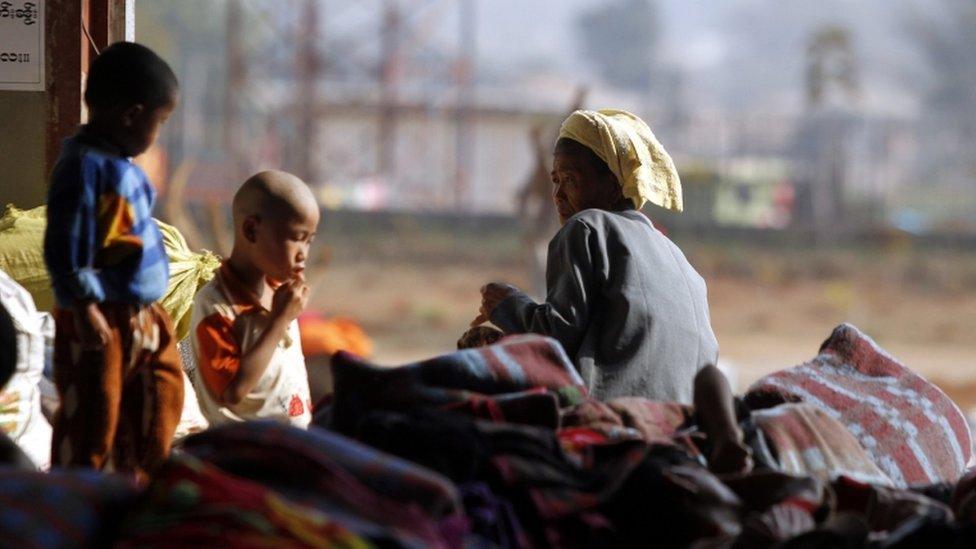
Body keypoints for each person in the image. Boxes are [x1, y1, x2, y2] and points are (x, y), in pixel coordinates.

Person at [474, 109, 718, 403]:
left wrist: (507, 305)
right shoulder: (678, 257)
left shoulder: (586, 227)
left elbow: (557, 337)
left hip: (613, 410)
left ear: (613, 187)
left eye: (570, 179)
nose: (558, 194)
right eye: (555, 180)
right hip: (685, 414)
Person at [43, 42, 183, 477]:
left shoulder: (119, 166)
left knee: (158, 398)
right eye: (158, 122)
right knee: (95, 414)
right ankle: (80, 491)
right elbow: (67, 244)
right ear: (130, 115)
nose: (157, 134)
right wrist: (82, 306)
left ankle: (141, 485)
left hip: (142, 315)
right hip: (102, 317)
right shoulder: (84, 168)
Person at [189, 170, 317, 428]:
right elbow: (232, 392)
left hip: (294, 443)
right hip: (246, 448)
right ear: (251, 230)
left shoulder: (279, 293)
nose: (303, 254)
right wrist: (279, 321)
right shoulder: (214, 306)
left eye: (309, 241)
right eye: (296, 239)